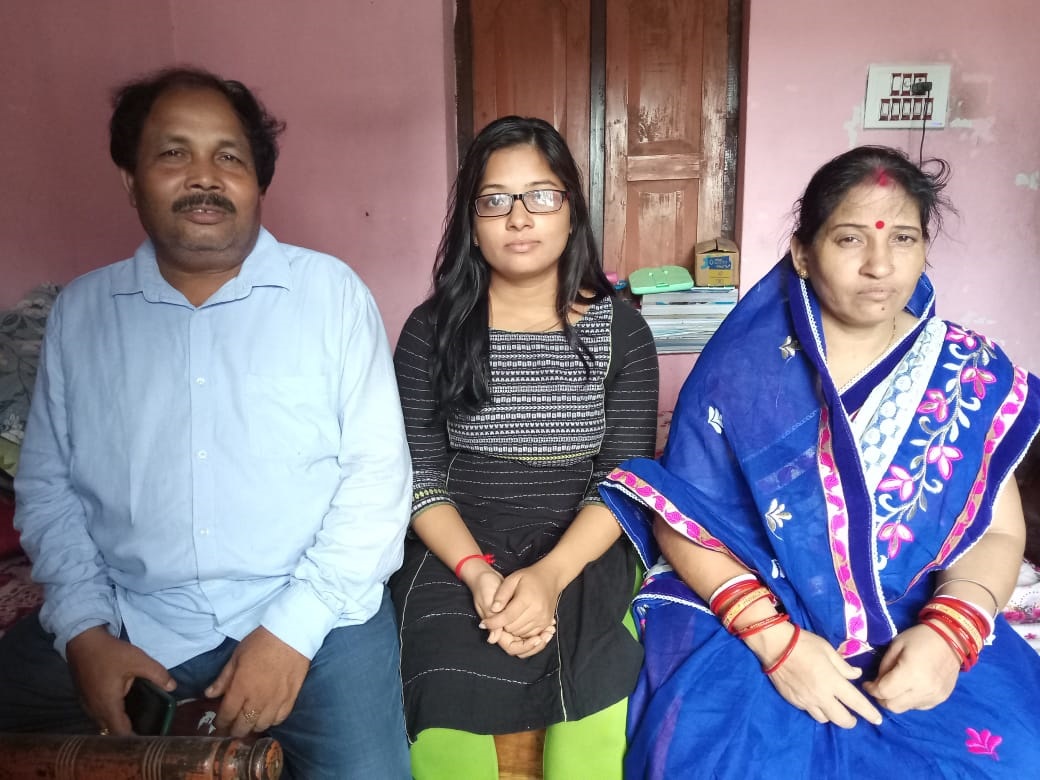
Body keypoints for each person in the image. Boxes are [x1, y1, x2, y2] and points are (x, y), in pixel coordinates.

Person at [0, 66, 412, 779]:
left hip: (315, 612)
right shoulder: (82, 315)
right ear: (131, 181)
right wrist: (83, 631)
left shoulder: (330, 295)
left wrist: (291, 635)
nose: (204, 176)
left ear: (258, 183)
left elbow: (377, 482)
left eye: (229, 156)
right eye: (173, 153)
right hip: (134, 610)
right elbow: (48, 490)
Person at [600, 145, 1040, 778]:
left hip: (912, 609)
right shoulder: (742, 373)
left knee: (1013, 755)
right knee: (722, 758)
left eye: (904, 239)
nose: (880, 265)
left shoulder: (969, 373)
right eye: (850, 239)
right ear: (803, 254)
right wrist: (777, 644)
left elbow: (994, 532)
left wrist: (952, 632)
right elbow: (682, 517)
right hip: (757, 605)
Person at [391, 115, 659, 779]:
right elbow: (420, 478)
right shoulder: (432, 330)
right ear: (472, 220)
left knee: (596, 707)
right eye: (495, 200)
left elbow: (625, 478)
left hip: (583, 539)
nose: (518, 217)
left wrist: (549, 576)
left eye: (540, 195)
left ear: (571, 209)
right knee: (439, 701)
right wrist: (478, 574)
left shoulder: (622, 331)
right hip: (458, 537)